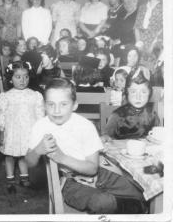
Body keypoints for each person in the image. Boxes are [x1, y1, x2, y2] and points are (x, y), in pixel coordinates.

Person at [26, 78, 146, 214]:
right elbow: (29, 163)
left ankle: (138, 209)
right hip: (68, 181)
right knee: (102, 202)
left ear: (74, 105)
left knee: (139, 193)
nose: (56, 110)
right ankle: (130, 210)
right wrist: (38, 150)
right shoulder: (40, 126)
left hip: (98, 172)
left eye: (63, 104)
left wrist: (62, 158)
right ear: (44, 105)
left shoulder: (85, 125)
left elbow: (92, 169)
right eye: (51, 104)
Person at [0, 61, 44, 192]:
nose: (22, 80)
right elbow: (2, 115)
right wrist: (1, 131)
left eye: (26, 76)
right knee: (10, 155)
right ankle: (10, 179)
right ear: (11, 79)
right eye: (18, 77)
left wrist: (39, 132)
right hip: (11, 131)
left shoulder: (35, 95)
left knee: (23, 154)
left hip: (27, 131)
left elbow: (40, 115)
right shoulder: (6, 96)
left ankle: (24, 177)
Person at [102, 70, 160, 141]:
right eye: (133, 92)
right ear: (127, 93)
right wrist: (105, 137)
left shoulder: (152, 115)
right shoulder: (117, 115)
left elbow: (157, 136)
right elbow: (106, 136)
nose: (138, 97)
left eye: (143, 92)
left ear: (149, 94)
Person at [134, 0, 163, 69]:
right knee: (138, 70)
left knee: (150, 71)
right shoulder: (142, 7)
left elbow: (163, 31)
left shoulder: (164, 7)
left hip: (156, 44)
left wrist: (152, 47)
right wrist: (139, 44)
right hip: (140, 42)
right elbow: (136, 27)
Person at [112, 0, 138, 66]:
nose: (126, 4)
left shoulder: (137, 15)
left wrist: (119, 40)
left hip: (130, 42)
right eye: (125, 3)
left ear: (135, 2)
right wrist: (111, 38)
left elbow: (132, 32)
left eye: (129, 2)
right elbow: (114, 27)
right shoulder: (122, 13)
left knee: (118, 49)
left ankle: (117, 70)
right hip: (118, 40)